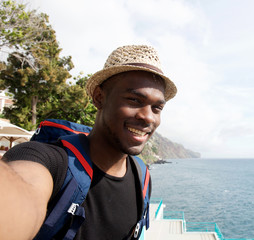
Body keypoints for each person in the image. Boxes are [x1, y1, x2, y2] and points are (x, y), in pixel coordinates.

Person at [0, 45, 177, 239]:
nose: (148, 117)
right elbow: (22, 189)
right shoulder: (50, 161)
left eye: (157, 108)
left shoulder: (142, 176)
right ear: (99, 98)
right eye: (134, 100)